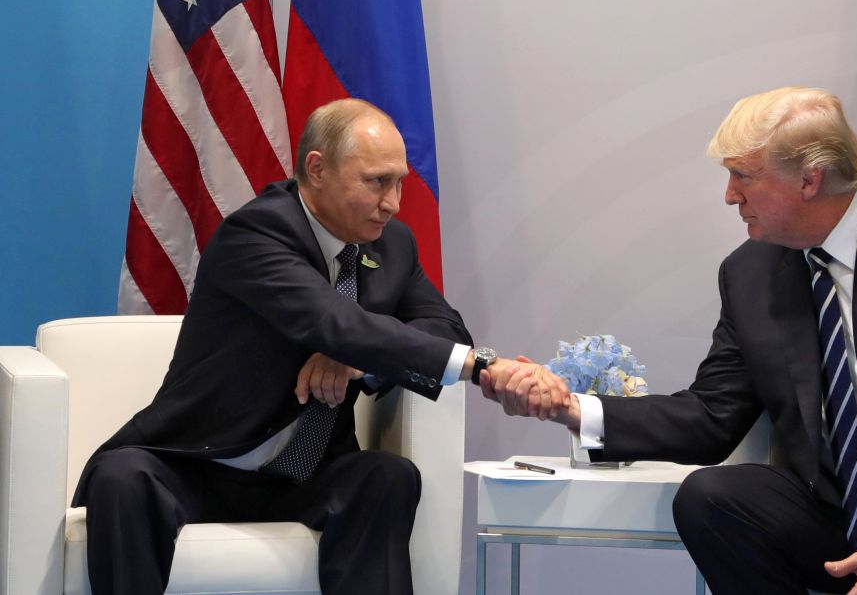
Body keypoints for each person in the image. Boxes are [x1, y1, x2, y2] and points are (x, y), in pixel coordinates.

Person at [484, 87, 857, 594]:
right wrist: (573, 409)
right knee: (715, 497)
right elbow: (712, 414)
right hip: (850, 510)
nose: (730, 196)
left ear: (810, 180)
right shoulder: (752, 271)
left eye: (743, 177)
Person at [74, 99, 561, 595]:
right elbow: (331, 320)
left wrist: (355, 361)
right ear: (317, 168)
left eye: (399, 183)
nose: (392, 203)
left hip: (307, 474)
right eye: (376, 181)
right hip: (199, 464)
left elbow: (446, 330)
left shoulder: (392, 245)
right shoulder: (257, 232)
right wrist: (482, 369)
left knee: (386, 476)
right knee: (123, 476)